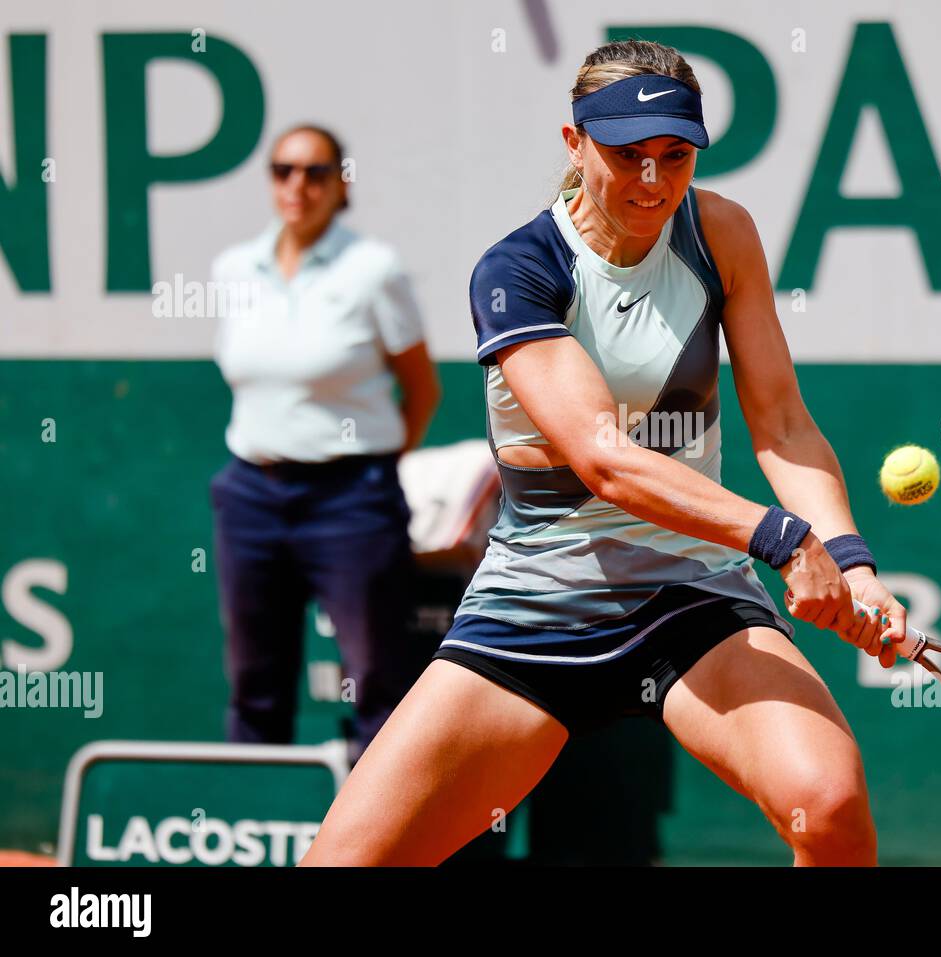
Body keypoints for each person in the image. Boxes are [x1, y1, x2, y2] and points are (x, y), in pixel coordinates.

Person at [301, 40, 906, 867]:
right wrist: (783, 538)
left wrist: (850, 558)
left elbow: (783, 421)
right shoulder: (518, 271)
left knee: (829, 808)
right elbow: (604, 459)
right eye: (627, 155)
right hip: (534, 608)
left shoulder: (721, 234)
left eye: (675, 155)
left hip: (694, 598)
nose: (653, 181)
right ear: (573, 142)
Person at [209, 124, 441, 764]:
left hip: (352, 500)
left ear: (340, 185)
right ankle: (252, 836)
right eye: (284, 170)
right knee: (255, 682)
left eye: (314, 172)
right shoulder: (234, 269)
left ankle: (383, 852)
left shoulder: (374, 271)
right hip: (250, 496)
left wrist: (375, 469)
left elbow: (421, 390)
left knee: (379, 681)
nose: (297, 185)